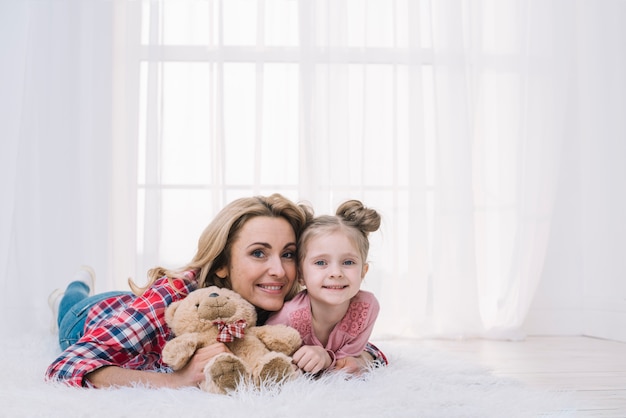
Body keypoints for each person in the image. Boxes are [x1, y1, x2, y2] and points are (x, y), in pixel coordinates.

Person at [45, 194, 387, 389]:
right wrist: (176, 381)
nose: (278, 270)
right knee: (70, 305)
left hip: (127, 308)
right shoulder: (175, 295)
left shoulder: (287, 297)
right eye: (258, 253)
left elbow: (348, 340)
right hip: (94, 315)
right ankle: (71, 290)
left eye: (287, 254)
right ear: (223, 264)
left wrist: (357, 359)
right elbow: (66, 366)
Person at [266, 199, 384, 375]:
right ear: (300, 274)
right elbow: (264, 354)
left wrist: (329, 359)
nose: (336, 273)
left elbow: (348, 363)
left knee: (374, 358)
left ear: (363, 272)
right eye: (321, 262)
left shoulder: (367, 306)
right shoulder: (287, 318)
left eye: (348, 262)